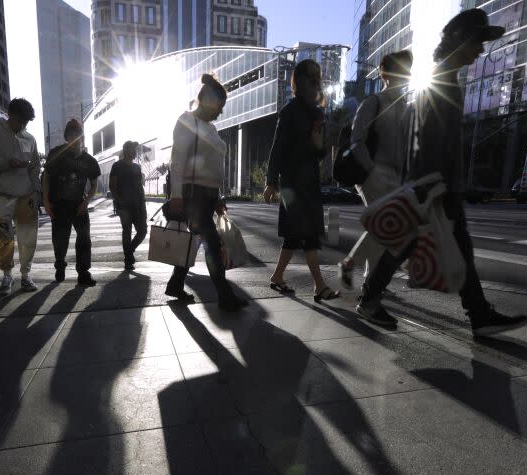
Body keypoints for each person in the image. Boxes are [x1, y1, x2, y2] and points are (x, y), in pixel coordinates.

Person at [357, 9, 527, 337]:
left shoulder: (440, 78)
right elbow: (429, 139)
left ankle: (476, 314)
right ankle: (478, 315)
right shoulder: (441, 82)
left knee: (414, 243)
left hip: (432, 183)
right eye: (477, 41)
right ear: (458, 40)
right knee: (438, 245)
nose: (480, 49)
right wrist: (434, 185)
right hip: (437, 184)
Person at [166, 74, 247, 311]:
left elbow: (212, 166)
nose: (220, 112)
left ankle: (175, 283)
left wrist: (218, 195)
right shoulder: (186, 121)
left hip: (207, 195)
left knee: (194, 240)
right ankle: (225, 295)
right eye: (219, 107)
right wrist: (176, 195)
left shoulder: (210, 128)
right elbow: (177, 161)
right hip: (193, 194)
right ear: (208, 102)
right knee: (212, 242)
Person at [263, 59, 340, 302]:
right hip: (290, 183)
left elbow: (318, 152)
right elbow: (277, 147)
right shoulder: (289, 111)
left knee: (295, 236)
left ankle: (277, 276)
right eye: (311, 76)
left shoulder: (317, 112)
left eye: (318, 76)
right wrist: (271, 181)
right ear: (300, 79)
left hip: (309, 182)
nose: (316, 80)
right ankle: (319, 286)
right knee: (307, 234)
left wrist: (319, 146)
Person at [339, 50, 413, 290]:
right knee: (387, 226)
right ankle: (366, 279)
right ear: (385, 74)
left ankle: (357, 271)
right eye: (399, 70)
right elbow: (357, 139)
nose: (403, 75)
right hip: (372, 174)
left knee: (383, 228)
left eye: (406, 71)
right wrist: (371, 170)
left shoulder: (406, 107)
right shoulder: (374, 102)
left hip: (395, 177)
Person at [0, 97, 42, 294]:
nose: (23, 125)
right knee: (4, 235)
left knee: (28, 235)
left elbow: (35, 167)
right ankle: (7, 274)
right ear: (10, 115)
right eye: (20, 120)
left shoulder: (30, 139)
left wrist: (36, 190)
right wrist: (7, 162)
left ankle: (26, 275)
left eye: (26, 122)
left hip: (26, 193)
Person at [42, 118, 100, 286]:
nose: (74, 138)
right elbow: (46, 177)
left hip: (78, 205)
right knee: (60, 239)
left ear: (82, 137)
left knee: (84, 238)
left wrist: (86, 201)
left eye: (77, 135)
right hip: (59, 205)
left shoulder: (89, 160)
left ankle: (83, 273)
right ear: (66, 136)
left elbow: (94, 184)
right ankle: (60, 264)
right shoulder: (56, 153)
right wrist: (46, 201)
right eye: (71, 135)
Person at [109, 140, 148, 270]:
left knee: (142, 231)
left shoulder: (137, 167)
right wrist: (119, 201)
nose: (135, 152)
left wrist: (143, 204)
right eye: (132, 149)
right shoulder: (117, 166)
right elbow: (112, 186)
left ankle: (129, 252)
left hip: (139, 205)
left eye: (135, 149)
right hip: (124, 206)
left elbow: (140, 186)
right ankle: (128, 260)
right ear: (126, 150)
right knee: (127, 231)